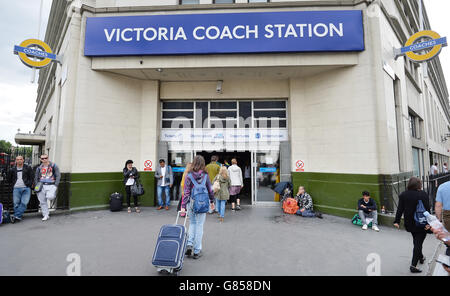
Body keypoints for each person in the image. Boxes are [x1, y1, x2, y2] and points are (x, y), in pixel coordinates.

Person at [394, 177, 432, 273]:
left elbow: (400, 209)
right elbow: (427, 209)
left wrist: (396, 221)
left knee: (416, 241)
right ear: (419, 184)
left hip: (410, 223)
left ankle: (421, 257)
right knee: (418, 243)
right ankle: (413, 265)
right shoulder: (423, 194)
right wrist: (429, 223)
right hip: (422, 223)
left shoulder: (403, 195)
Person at [181, 155, 215, 259]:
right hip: (202, 203)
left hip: (191, 202)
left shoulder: (189, 175)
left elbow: (186, 191)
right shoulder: (205, 175)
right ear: (203, 164)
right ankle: (196, 251)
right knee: (200, 225)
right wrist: (212, 201)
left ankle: (189, 244)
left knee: (192, 223)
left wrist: (183, 206)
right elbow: (210, 189)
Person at [34, 154, 61, 221]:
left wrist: (56, 185)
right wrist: (36, 185)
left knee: (50, 196)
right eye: (42, 158)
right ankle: (46, 215)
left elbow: (58, 175)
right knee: (42, 202)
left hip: (51, 185)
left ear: (48, 158)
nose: (44, 160)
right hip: (41, 185)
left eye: (45, 158)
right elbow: (36, 177)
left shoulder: (54, 166)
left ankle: (52, 195)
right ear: (40, 159)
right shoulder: (39, 168)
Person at [7, 156, 33, 221]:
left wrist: (29, 184)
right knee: (16, 204)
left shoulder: (28, 168)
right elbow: (9, 179)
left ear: (23, 160)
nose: (19, 161)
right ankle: (18, 217)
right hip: (16, 188)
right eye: (17, 159)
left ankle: (16, 216)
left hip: (26, 188)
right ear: (16, 160)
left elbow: (31, 177)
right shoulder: (12, 169)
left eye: (20, 159)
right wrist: (13, 184)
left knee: (24, 203)